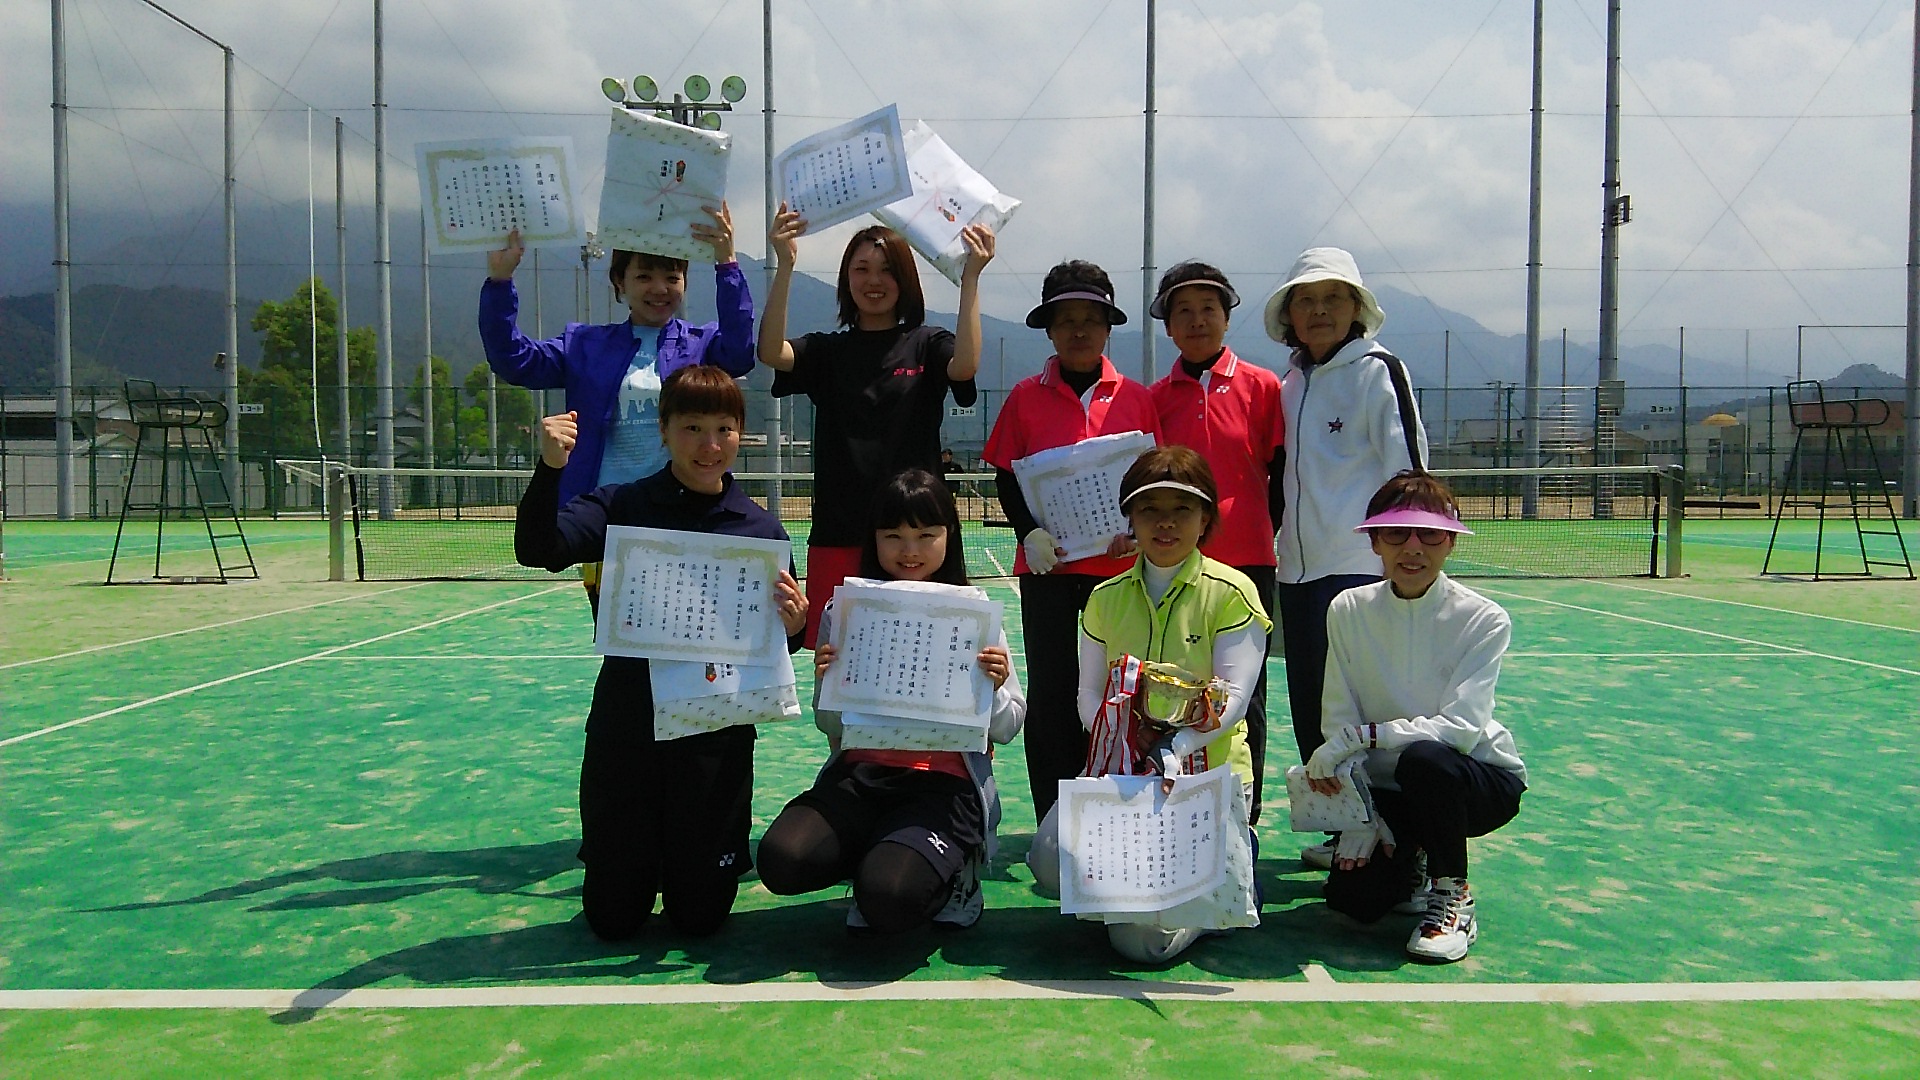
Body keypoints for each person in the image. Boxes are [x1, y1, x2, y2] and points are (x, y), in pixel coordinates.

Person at [513, 365, 807, 940]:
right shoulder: (621, 506)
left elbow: (778, 641)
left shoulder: (761, 532)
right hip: (629, 732)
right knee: (613, 920)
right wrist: (551, 468)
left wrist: (795, 625)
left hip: (715, 741)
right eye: (692, 427)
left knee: (699, 920)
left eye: (723, 429)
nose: (709, 445)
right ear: (664, 431)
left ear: (740, 434)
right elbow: (538, 549)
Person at [1026, 447, 1269, 963]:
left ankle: (1220, 881)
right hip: (1124, 775)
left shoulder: (1233, 593)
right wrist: (1125, 740)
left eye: (1182, 509)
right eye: (1149, 509)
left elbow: (1231, 700)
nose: (1166, 523)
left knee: (1143, 946)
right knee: (1047, 859)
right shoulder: (1104, 597)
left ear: (1205, 517)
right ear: (1130, 518)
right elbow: (1089, 694)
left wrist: (1175, 748)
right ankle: (1165, 887)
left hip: (1203, 779)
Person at [757, 469, 1026, 933]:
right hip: (860, 779)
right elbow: (831, 726)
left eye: (926, 535)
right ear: (874, 539)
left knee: (888, 899)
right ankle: (877, 855)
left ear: (949, 536)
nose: (910, 550)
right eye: (894, 536)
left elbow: (1007, 726)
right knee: (782, 860)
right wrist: (827, 681)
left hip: (944, 788)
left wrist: (996, 687)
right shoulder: (845, 610)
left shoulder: (974, 613)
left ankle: (956, 872)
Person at [481, 206, 753, 609]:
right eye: (644, 277)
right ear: (619, 283)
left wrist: (726, 263)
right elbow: (514, 360)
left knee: (694, 632)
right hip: (610, 519)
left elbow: (741, 350)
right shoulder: (583, 344)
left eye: (672, 277)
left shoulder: (704, 344)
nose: (659, 288)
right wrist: (500, 281)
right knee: (622, 638)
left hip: (690, 515)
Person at [1305, 471, 1525, 963]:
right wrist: (1361, 812)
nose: (1412, 548)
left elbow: (1460, 731)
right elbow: (1338, 714)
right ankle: (1413, 857)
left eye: (1430, 535)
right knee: (1354, 903)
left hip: (1472, 781)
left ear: (1450, 543)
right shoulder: (1347, 608)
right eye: (1396, 534)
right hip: (1389, 789)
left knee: (1426, 760)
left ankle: (1452, 895)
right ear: (1375, 542)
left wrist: (1367, 736)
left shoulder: (1484, 618)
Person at [1261, 246, 1427, 869]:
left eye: (1333, 298)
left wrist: (1400, 562)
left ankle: (1397, 842)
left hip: (1360, 570)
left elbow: (1408, 475)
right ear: (1290, 315)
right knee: (1315, 707)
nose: (1319, 310)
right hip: (1297, 574)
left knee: (1369, 712)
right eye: (1306, 299)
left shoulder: (1379, 371)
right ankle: (1344, 831)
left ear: (1356, 308)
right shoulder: (1288, 385)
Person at [758, 208, 994, 647]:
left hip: (916, 536)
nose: (874, 280)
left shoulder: (927, 343)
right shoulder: (827, 352)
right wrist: (785, 264)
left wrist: (970, 278)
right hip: (841, 530)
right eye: (861, 269)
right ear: (845, 279)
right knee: (839, 654)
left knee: (925, 649)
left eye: (887, 270)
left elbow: (964, 366)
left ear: (906, 280)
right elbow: (772, 352)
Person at [982, 260, 1161, 821]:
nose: (1079, 330)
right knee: (1053, 696)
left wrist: (1137, 534)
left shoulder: (1137, 398)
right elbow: (1005, 475)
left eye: (1091, 318)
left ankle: (1116, 812)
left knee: (1122, 693)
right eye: (1066, 320)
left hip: (1121, 576)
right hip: (1049, 574)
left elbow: (1151, 478)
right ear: (1050, 330)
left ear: (1108, 327)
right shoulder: (1023, 397)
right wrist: (1028, 532)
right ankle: (1054, 820)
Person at [1146, 260, 1284, 822]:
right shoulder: (1154, 398)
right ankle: (1171, 806)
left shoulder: (1263, 387)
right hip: (1175, 567)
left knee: (1245, 694)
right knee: (1171, 686)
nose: (1197, 320)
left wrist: (1257, 528)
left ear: (1227, 318)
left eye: (1209, 309)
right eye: (1184, 311)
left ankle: (1242, 815)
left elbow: (1279, 473)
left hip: (1249, 564)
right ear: (1168, 326)